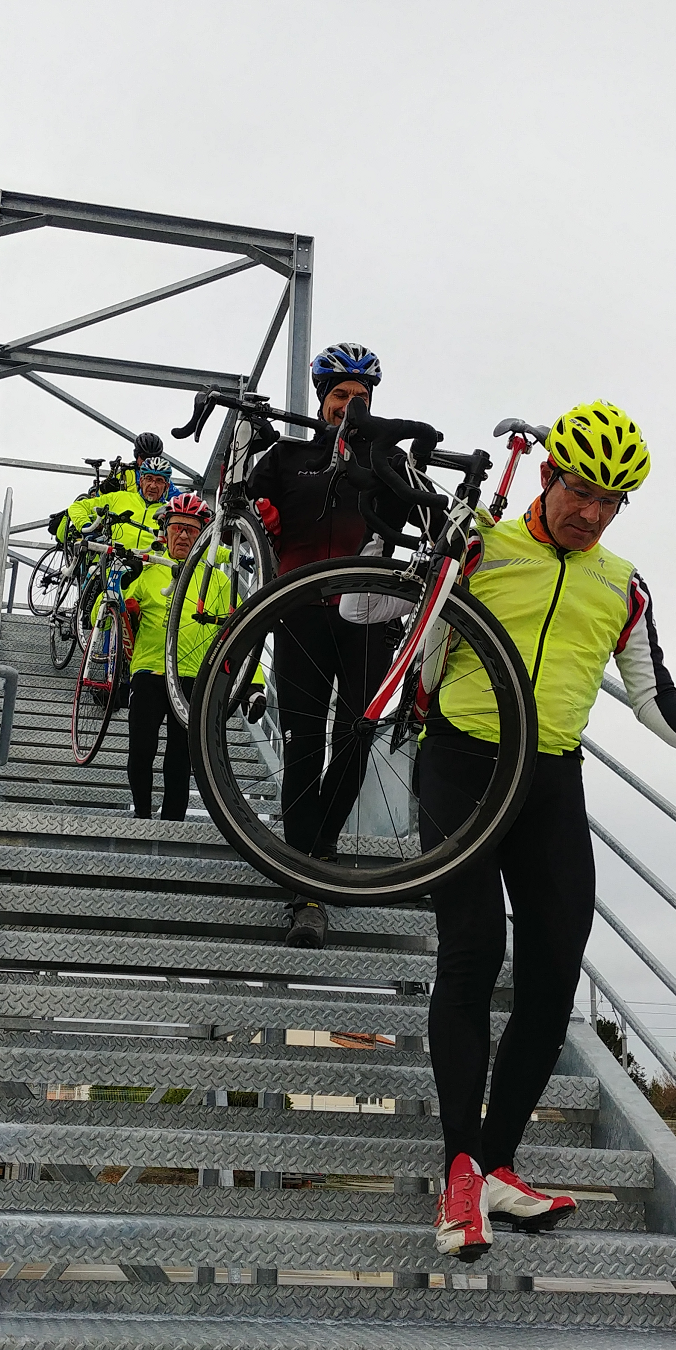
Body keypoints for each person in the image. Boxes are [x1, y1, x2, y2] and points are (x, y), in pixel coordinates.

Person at [422, 399, 676, 1259]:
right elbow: (423, 662)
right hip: (463, 761)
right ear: (547, 478)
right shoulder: (485, 545)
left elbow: (657, 701)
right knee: (471, 950)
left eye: (612, 500)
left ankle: (498, 1163)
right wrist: (442, 572)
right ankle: (460, 1170)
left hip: (551, 775)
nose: (592, 512)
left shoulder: (621, 583)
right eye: (582, 490)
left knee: (553, 972)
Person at [247, 344, 413, 949]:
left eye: (361, 398)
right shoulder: (287, 457)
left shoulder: (387, 461)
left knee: (356, 744)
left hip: (365, 621)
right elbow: (239, 510)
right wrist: (257, 512)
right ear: (321, 402)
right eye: (340, 396)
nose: (350, 406)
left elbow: (419, 524)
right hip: (298, 616)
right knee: (301, 752)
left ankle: (315, 860)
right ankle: (309, 889)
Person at [125, 494, 266, 821]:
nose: (185, 536)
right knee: (141, 751)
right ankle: (142, 817)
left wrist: (252, 685)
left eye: (192, 529)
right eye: (177, 528)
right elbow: (101, 617)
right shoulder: (147, 570)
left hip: (195, 680)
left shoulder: (217, 580)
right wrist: (122, 583)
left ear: (205, 535)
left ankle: (173, 824)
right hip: (148, 672)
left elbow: (238, 636)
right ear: (165, 530)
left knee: (181, 759)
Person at [66, 454, 173, 548]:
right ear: (141, 481)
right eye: (149, 479)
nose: (153, 485)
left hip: (153, 565)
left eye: (159, 481)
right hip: (116, 564)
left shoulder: (170, 511)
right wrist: (87, 527)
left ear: (166, 486)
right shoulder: (119, 498)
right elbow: (77, 507)